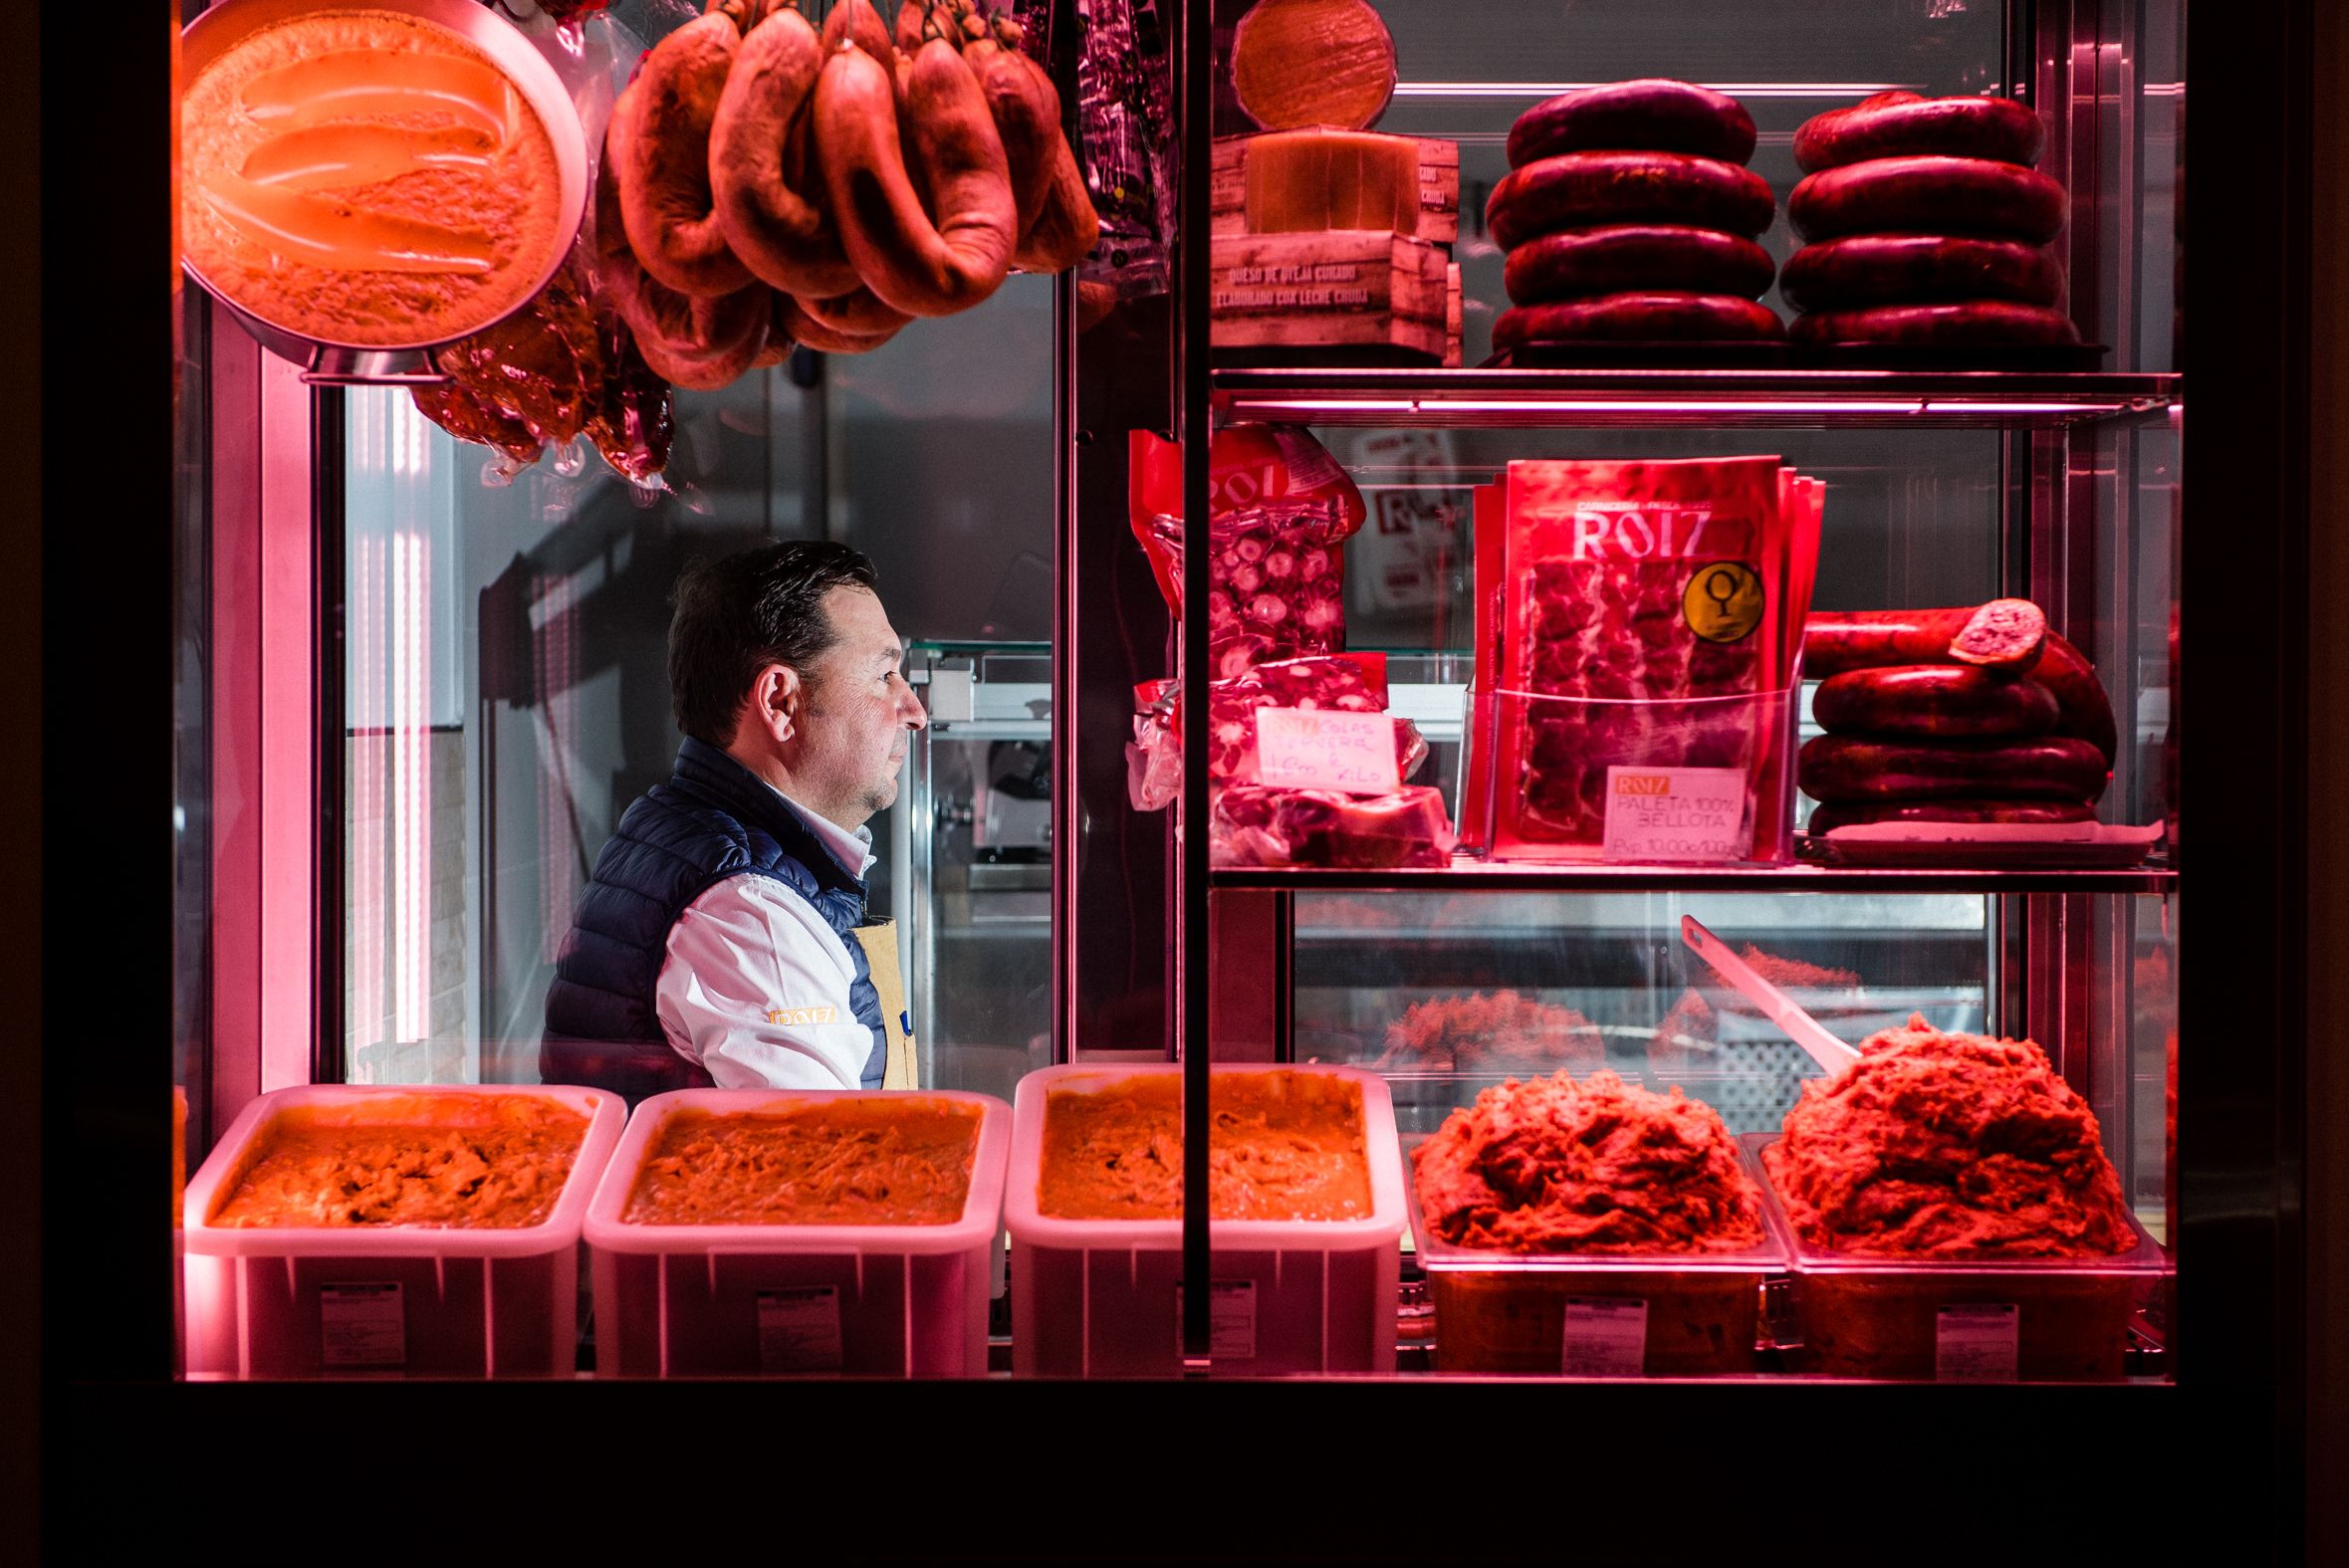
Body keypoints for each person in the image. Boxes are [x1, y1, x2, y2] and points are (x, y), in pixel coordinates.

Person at [541, 541, 926, 1095]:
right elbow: (816, 1163)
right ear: (780, 702)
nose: (914, 710)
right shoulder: (751, 912)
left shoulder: (689, 831)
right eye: (884, 675)